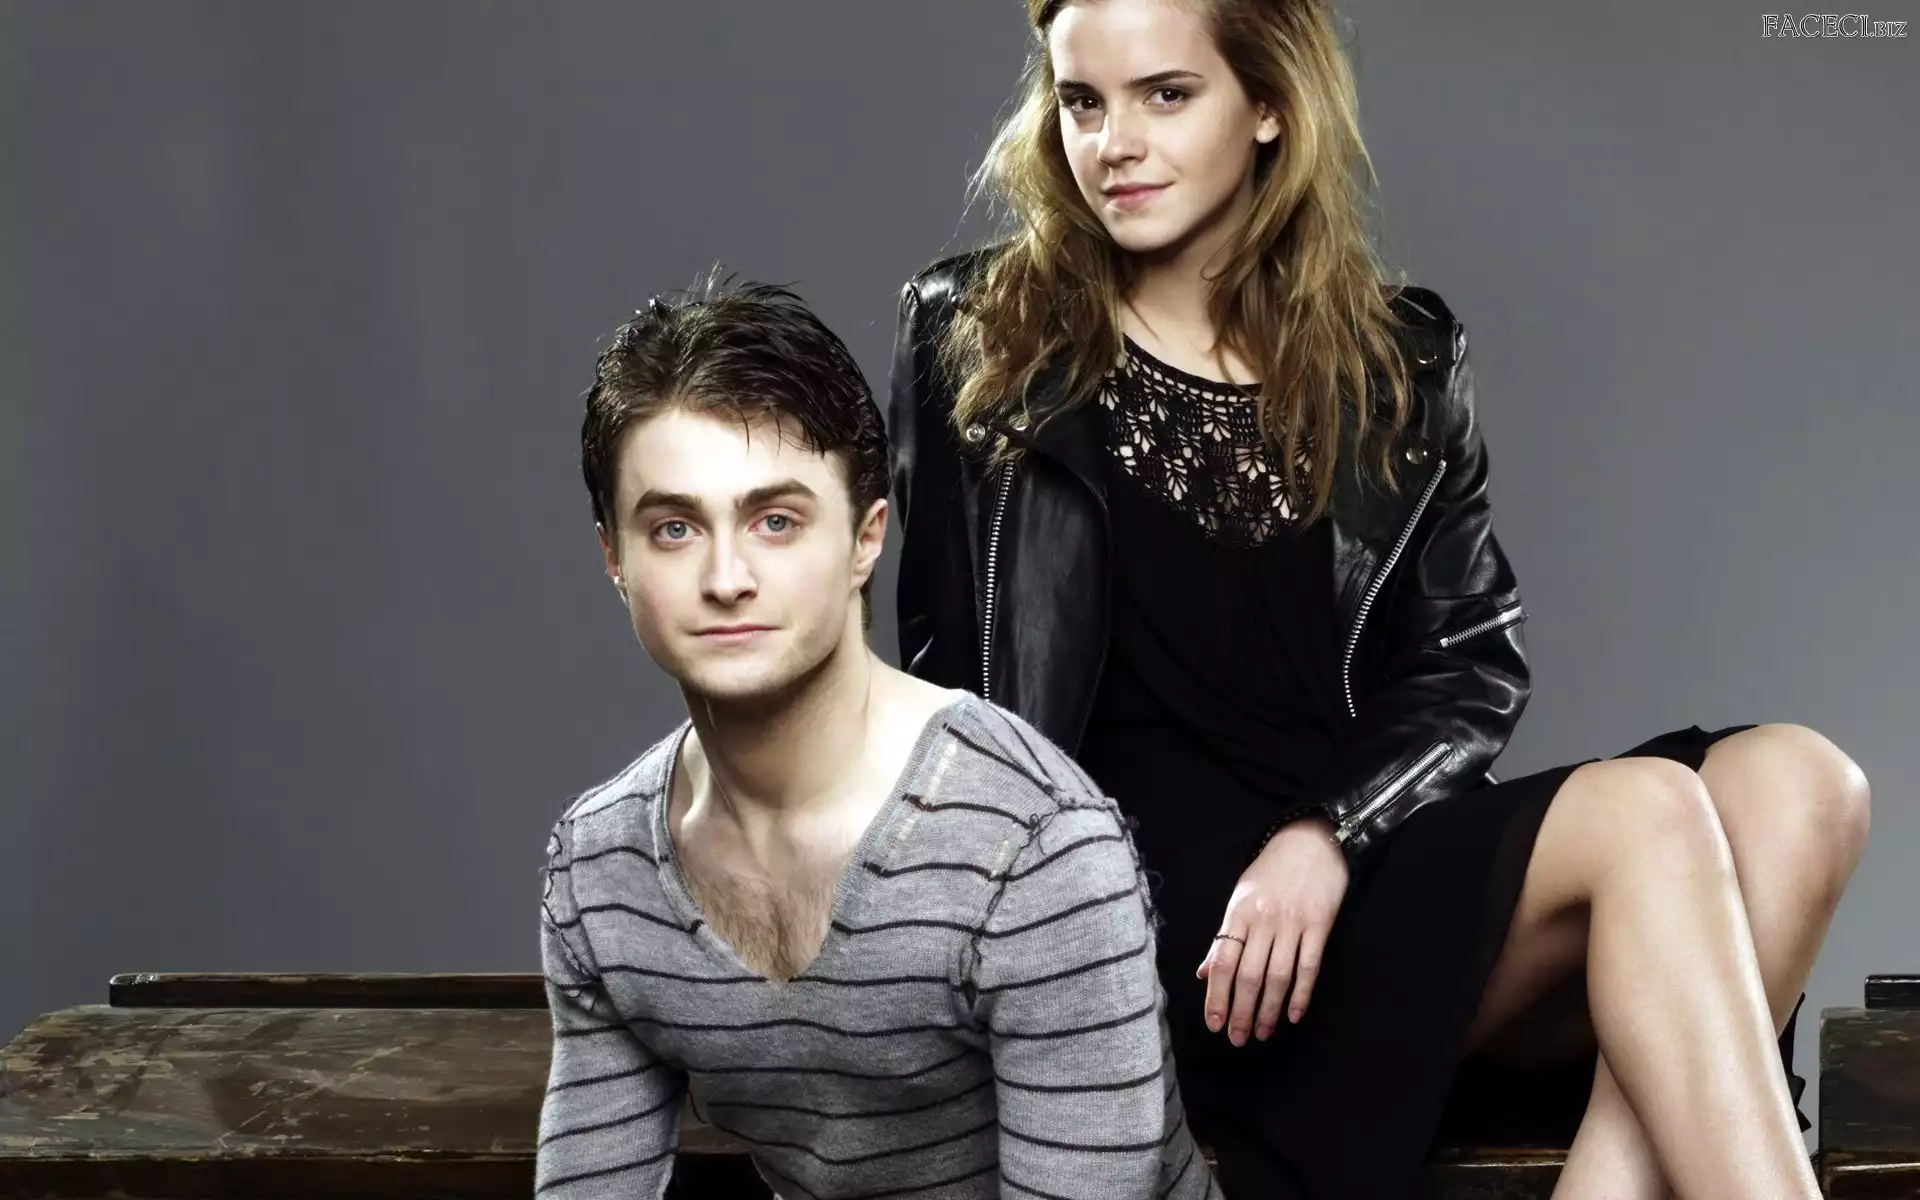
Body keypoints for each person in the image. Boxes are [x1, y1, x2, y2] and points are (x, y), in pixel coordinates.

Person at [886, 1, 1872, 1196]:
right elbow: (944, 709)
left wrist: (1330, 833)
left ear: (1268, 105)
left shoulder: (1396, 357)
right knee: (1651, 810)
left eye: (1165, 95)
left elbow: (1469, 662)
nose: (1114, 146)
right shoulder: (981, 332)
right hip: (1156, 925)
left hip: (1352, 869)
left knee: (1805, 784)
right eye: (1081, 103)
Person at [534, 278, 1221, 1200]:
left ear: (866, 539)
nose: (727, 577)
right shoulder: (599, 870)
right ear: (615, 558)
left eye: (776, 521)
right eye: (674, 528)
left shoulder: (1033, 847)